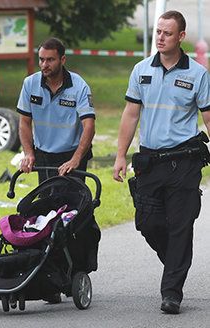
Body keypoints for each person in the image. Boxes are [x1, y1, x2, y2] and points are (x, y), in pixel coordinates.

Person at [113, 10, 210, 315]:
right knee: (147, 222)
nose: (160, 37)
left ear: (181, 37)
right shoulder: (141, 70)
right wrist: (119, 155)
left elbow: (208, 117)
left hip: (184, 163)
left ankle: (171, 293)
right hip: (150, 162)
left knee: (181, 226)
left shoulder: (198, 75)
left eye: (167, 33)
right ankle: (176, 263)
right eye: (158, 32)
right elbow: (130, 115)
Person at [17, 37, 96, 182]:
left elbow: (89, 126)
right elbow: (24, 122)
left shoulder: (79, 86)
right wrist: (28, 153)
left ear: (63, 60)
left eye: (50, 60)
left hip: (72, 154)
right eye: (41, 60)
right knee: (47, 201)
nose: (44, 64)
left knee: (72, 202)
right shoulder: (30, 84)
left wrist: (76, 158)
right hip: (44, 155)